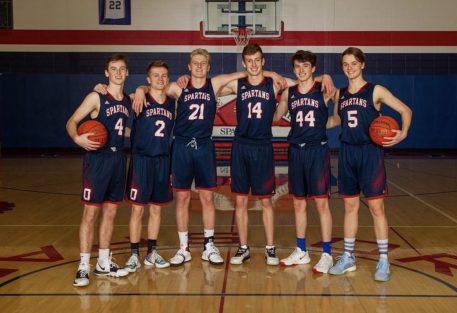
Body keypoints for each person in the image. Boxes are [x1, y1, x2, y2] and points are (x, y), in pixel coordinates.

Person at [133, 49, 252, 266]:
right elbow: (153, 87)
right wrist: (140, 89)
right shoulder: (179, 87)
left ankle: (208, 245)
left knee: (208, 198)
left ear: (208, 66)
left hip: (205, 145)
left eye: (203, 63)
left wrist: (273, 76)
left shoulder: (215, 84)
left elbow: (246, 74)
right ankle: (183, 248)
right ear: (189, 66)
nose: (198, 66)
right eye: (195, 63)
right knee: (182, 198)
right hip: (181, 145)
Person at [218, 44, 335, 266]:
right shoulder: (237, 85)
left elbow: (304, 81)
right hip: (241, 146)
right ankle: (243, 248)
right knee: (240, 202)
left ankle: (270, 249)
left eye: (257, 60)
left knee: (266, 202)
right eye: (249, 61)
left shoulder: (275, 84)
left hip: (263, 146)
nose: (253, 64)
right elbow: (214, 86)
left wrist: (324, 75)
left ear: (263, 61)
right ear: (243, 63)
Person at [328, 47, 412, 281]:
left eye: (354, 63)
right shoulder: (340, 94)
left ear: (362, 64)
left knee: (376, 208)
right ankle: (348, 257)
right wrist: (312, 126)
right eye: (345, 64)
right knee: (350, 208)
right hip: (347, 153)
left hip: (370, 154)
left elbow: (405, 110)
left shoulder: (375, 90)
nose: (349, 67)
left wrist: (403, 133)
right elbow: (337, 119)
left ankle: (384, 260)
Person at [66, 54, 131, 287]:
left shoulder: (126, 101)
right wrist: (76, 138)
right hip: (97, 161)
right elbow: (71, 121)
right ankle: (84, 266)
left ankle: (104, 261)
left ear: (127, 72)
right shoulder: (96, 96)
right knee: (90, 214)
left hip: (118, 159)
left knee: (111, 213)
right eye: (113, 69)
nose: (118, 73)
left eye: (122, 69)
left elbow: (122, 130)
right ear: (106, 73)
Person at [273, 50, 336, 273]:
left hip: (317, 151)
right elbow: (276, 116)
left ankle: (327, 254)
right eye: (298, 67)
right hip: (296, 152)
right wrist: (274, 94)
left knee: (321, 203)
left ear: (313, 68)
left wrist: (328, 122)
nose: (302, 70)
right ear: (293, 69)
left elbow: (341, 108)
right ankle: (301, 250)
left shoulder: (324, 89)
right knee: (299, 203)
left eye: (306, 66)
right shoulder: (289, 92)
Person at [122, 60, 175, 272]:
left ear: (168, 79)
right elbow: (114, 98)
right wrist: (138, 90)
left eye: (163, 75)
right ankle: (134, 254)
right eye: (155, 75)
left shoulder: (173, 102)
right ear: (148, 79)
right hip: (141, 161)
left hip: (163, 160)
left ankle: (152, 252)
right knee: (137, 210)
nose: (160, 79)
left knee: (156, 210)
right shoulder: (138, 98)